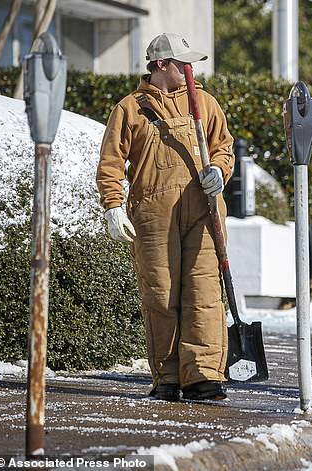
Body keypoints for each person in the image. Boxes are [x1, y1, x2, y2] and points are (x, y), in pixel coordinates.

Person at [96, 33, 235, 402]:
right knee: (161, 293)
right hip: (153, 216)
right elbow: (110, 163)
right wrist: (112, 205)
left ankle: (204, 375)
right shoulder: (130, 109)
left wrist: (219, 171)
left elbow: (224, 147)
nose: (190, 68)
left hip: (204, 212)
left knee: (204, 291)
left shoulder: (204, 102)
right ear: (161, 65)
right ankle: (169, 376)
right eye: (182, 62)